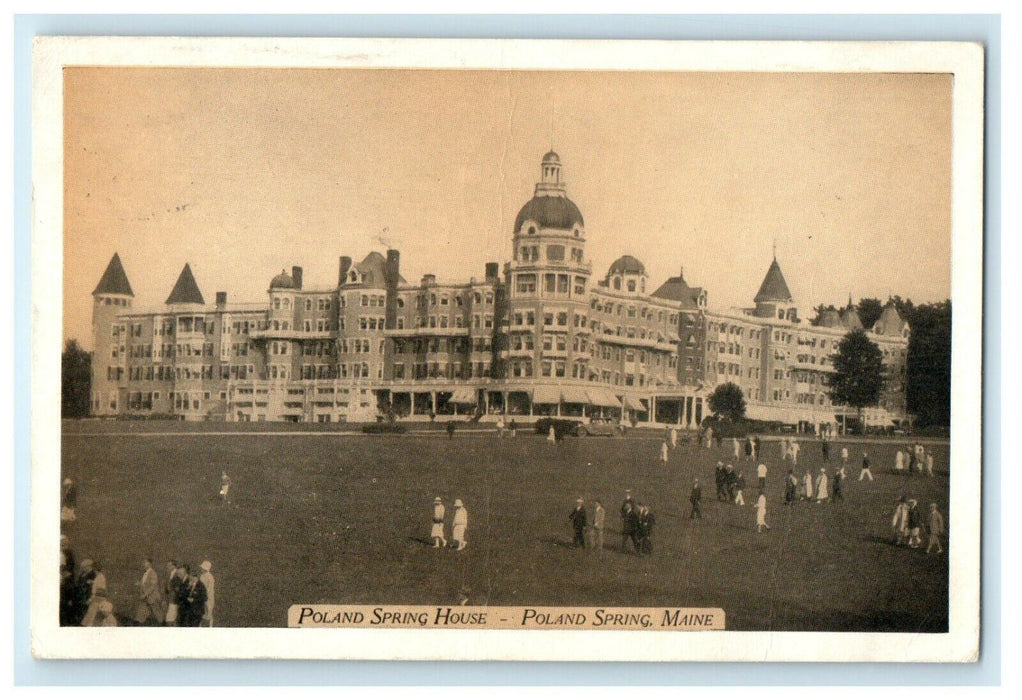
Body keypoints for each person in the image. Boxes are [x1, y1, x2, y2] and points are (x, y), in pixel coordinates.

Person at [133, 557, 165, 626]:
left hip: (153, 598)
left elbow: (153, 586)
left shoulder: (152, 573)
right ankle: (137, 624)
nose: (143, 564)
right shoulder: (145, 573)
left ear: (150, 564)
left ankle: (164, 626)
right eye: (143, 562)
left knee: (158, 615)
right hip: (146, 598)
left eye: (145, 562)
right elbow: (145, 584)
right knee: (140, 614)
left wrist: (145, 594)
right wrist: (139, 584)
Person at [80, 560, 109, 627]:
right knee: (90, 617)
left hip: (97, 600)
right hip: (96, 600)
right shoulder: (99, 577)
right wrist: (92, 583)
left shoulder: (101, 578)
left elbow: (100, 592)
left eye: (94, 569)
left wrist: (90, 600)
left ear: (96, 569)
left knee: (92, 618)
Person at [165, 560, 183, 626]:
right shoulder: (170, 573)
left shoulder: (178, 573)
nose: (167, 567)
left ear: (173, 566)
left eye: (169, 565)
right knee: (173, 617)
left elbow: (178, 587)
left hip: (175, 598)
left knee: (170, 618)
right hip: (170, 597)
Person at [199, 560, 215, 627]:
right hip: (202, 596)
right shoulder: (202, 576)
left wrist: (205, 596)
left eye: (202, 568)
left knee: (208, 611)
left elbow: (209, 589)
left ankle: (210, 626)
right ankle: (200, 625)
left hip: (208, 597)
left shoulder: (210, 577)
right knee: (201, 611)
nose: (201, 569)